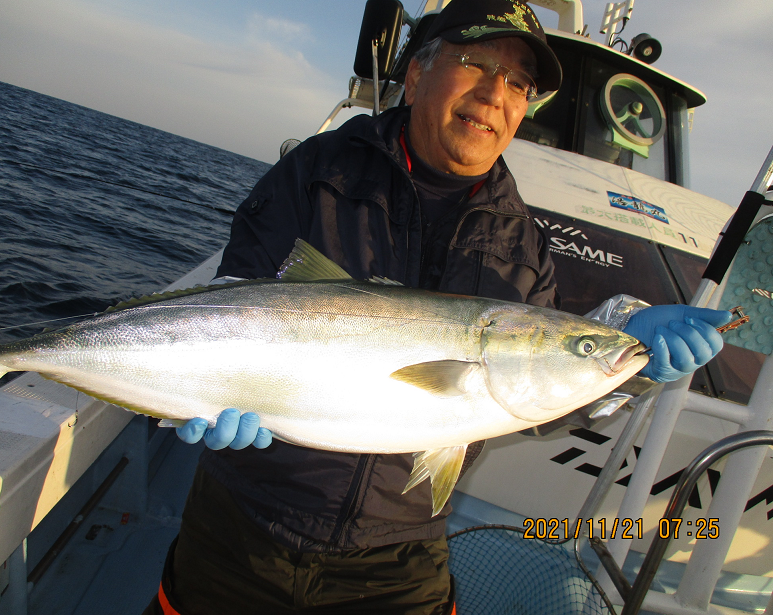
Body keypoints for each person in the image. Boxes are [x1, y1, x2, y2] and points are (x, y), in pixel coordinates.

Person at [143, 1, 730, 613]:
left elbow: (529, 398)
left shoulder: (523, 246)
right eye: (476, 63)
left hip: (399, 554)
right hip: (245, 523)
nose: (495, 94)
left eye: (518, 83)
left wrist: (622, 371)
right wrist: (205, 386)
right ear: (418, 74)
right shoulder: (316, 171)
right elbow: (236, 297)